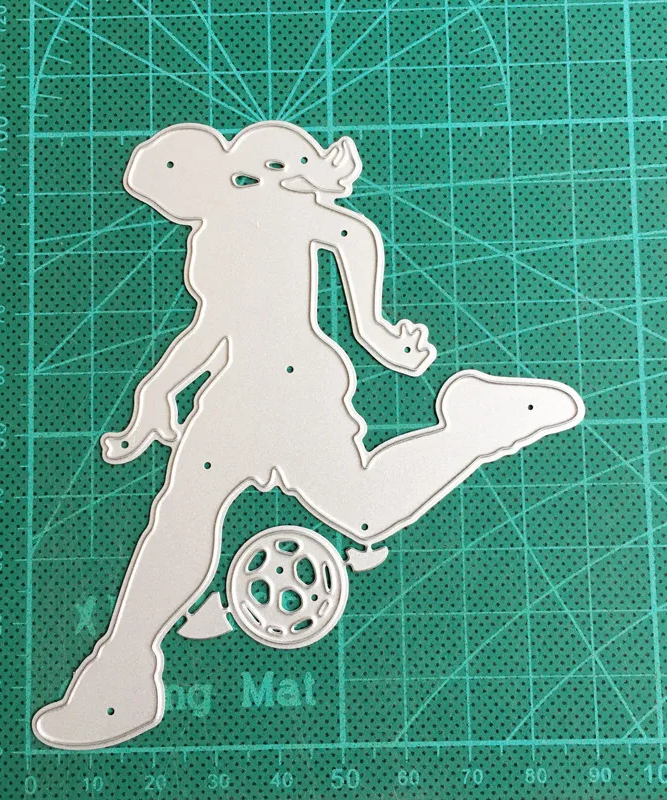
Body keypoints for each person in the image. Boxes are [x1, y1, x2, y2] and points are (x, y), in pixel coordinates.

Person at [32, 122, 584, 749]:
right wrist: (158, 390)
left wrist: (373, 328)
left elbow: (350, 233)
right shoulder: (213, 235)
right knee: (180, 521)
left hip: (297, 392)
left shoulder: (271, 204)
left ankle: (476, 427)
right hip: (238, 396)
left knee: (366, 513)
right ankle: (121, 679)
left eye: (170, 193)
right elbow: (215, 325)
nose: (172, 209)